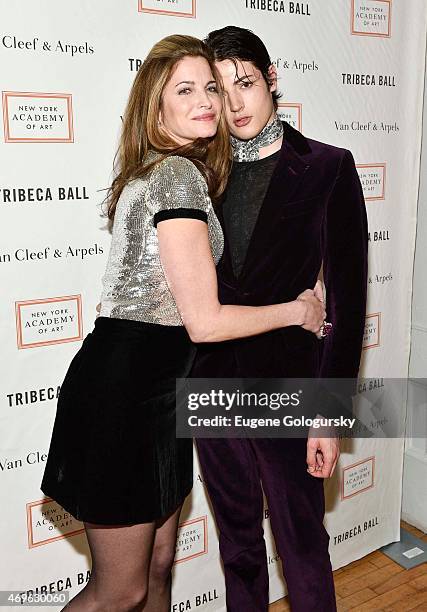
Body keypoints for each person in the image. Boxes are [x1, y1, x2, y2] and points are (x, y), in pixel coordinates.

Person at [41, 34, 326, 612]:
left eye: (213, 89)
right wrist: (300, 310)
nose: (208, 102)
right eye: (186, 89)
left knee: (159, 565)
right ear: (156, 104)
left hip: (159, 394)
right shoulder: (176, 176)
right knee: (120, 589)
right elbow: (204, 322)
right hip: (125, 395)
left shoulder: (170, 170)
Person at [192, 26, 369, 611]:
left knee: (303, 550)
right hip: (213, 386)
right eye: (220, 89)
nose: (234, 103)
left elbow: (345, 304)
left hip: (289, 391)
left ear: (272, 80)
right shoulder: (197, 175)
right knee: (239, 550)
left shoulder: (327, 168)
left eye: (245, 83)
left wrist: (328, 417)